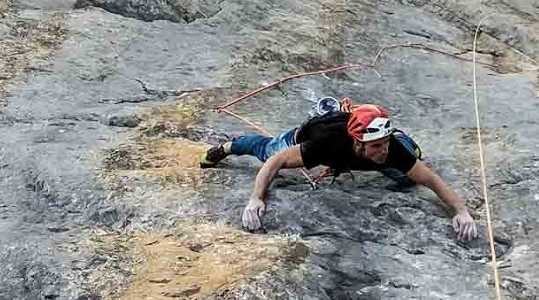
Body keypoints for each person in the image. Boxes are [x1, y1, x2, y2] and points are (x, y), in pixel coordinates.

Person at [201, 102, 479, 241]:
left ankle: (342, 110)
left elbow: (430, 179)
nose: (384, 150)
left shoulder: (391, 149)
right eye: (377, 146)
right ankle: (230, 146)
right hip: (312, 132)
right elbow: (274, 163)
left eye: (385, 143)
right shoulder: (326, 144)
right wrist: (256, 198)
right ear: (358, 143)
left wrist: (460, 210)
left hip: (351, 143)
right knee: (266, 150)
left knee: (407, 170)